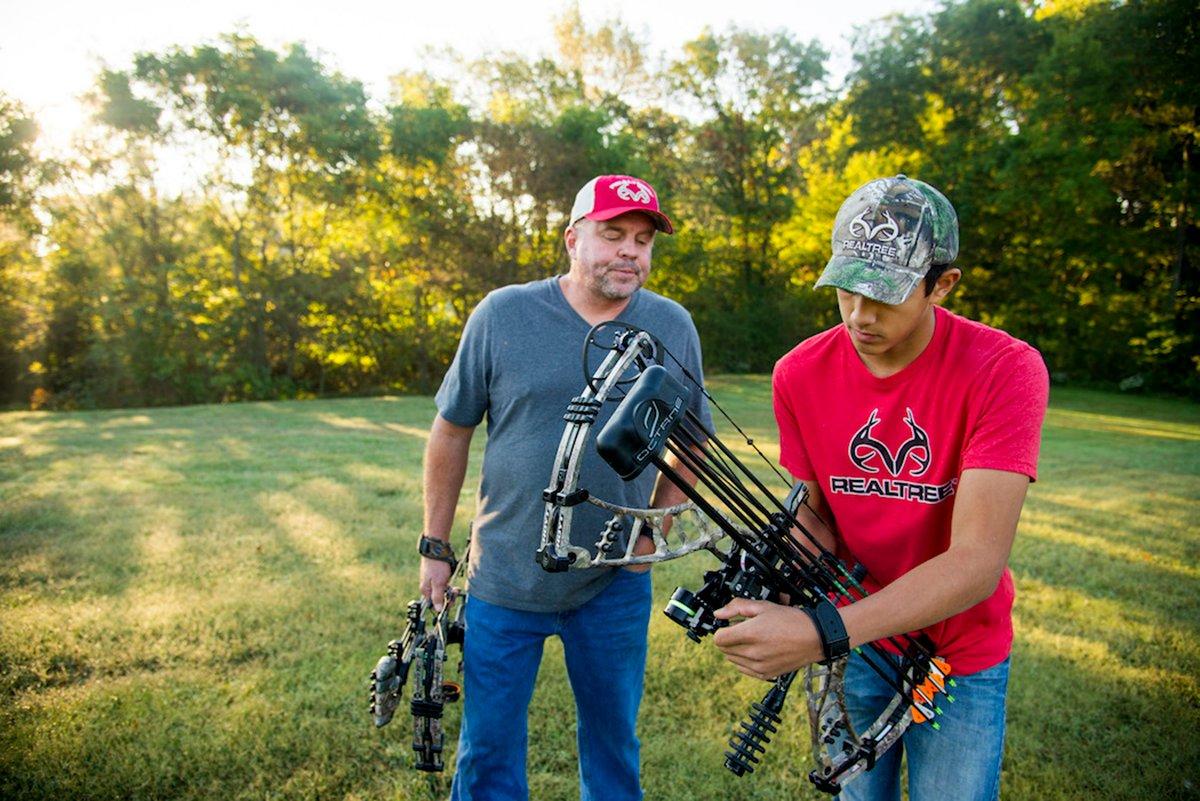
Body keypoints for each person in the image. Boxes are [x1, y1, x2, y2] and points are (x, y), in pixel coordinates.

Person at [710, 175, 1048, 801]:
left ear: (942, 285)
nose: (860, 315)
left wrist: (818, 631)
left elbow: (976, 563)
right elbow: (817, 513)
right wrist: (778, 571)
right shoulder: (799, 372)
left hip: (958, 654)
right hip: (859, 650)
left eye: (885, 295)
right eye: (847, 288)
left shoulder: (1005, 369)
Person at [418, 174, 710, 801]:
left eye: (642, 239)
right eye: (613, 235)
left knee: (612, 747)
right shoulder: (504, 313)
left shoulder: (670, 325)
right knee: (488, 749)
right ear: (573, 239)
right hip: (504, 575)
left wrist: (650, 534)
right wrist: (434, 546)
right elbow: (450, 431)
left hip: (612, 581)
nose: (630, 251)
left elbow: (690, 443)